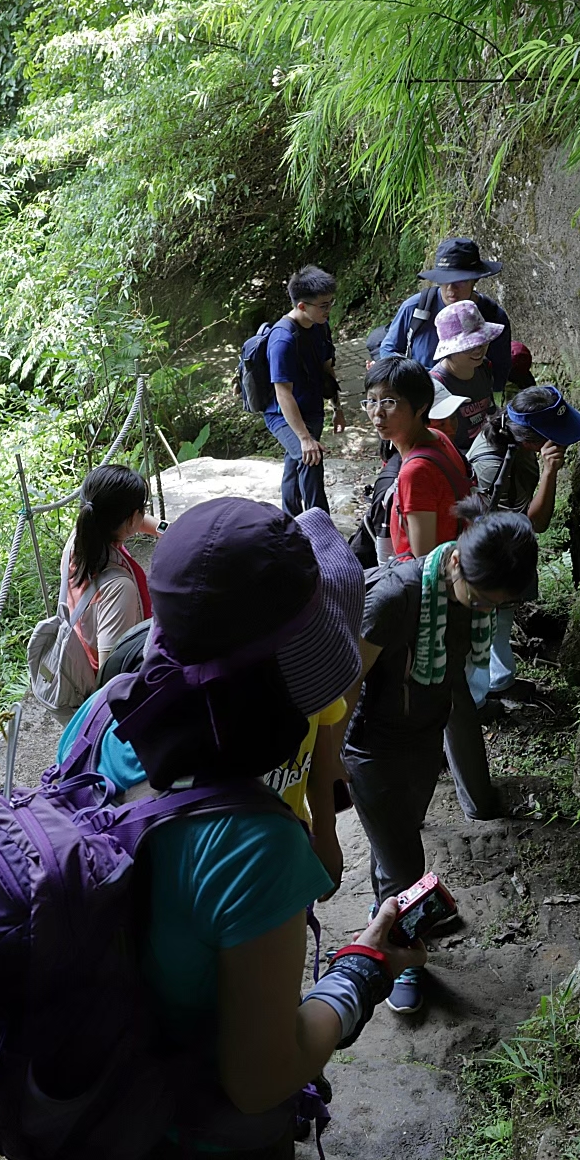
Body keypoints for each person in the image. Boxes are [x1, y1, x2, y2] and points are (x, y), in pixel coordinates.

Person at [102, 498, 424, 1160]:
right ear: (285, 684)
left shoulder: (102, 724)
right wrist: (359, 974)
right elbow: (260, 1077)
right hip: (213, 1139)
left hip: (124, 1094)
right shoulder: (251, 845)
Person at [54, 508, 362, 895]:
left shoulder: (94, 716)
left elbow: (322, 755)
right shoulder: (261, 842)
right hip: (261, 879)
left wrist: (327, 835)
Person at [343, 509, 538, 1013]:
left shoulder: (472, 598)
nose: (484, 610)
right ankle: (397, 957)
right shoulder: (393, 599)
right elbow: (343, 691)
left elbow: (453, 673)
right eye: (479, 599)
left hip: (422, 736)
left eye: (496, 605)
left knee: (401, 837)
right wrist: (327, 777)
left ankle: (390, 911)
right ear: (455, 563)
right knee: (403, 858)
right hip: (373, 747)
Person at [466, 386, 580, 708]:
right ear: (533, 441)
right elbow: (532, 525)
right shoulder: (493, 466)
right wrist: (550, 473)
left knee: (501, 621)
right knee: (485, 623)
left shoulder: (518, 443)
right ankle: (479, 699)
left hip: (506, 545)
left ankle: (501, 680)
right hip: (490, 554)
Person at [360, 357, 472, 561]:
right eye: (371, 401)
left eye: (389, 402)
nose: (377, 412)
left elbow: (423, 562)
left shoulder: (416, 471)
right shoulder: (440, 438)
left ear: (421, 406)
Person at [60, 464, 155, 681]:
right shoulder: (119, 588)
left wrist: (166, 529)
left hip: (82, 650)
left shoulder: (80, 540)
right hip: (105, 682)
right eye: (143, 509)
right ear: (131, 519)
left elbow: (131, 520)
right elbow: (111, 672)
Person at [263, 266, 344, 517]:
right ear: (301, 306)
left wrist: (337, 408)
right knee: (311, 458)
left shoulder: (320, 325)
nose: (328, 310)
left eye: (330, 303)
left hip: (311, 409)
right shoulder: (282, 339)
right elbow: (282, 394)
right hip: (283, 414)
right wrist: (305, 438)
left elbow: (326, 369)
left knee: (295, 463)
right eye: (323, 305)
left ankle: (290, 522)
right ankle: (321, 527)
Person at [379, 237, 512, 390]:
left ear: (475, 280)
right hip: (423, 394)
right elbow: (388, 350)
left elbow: (500, 370)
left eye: (460, 281)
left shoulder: (492, 316)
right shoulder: (416, 308)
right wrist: (418, 378)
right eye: (444, 280)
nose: (451, 289)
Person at [428, 299, 505, 453]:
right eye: (468, 347)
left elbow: (489, 408)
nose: (478, 351)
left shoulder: (483, 366)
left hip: (486, 443)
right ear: (449, 350)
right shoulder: (436, 385)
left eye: (482, 342)